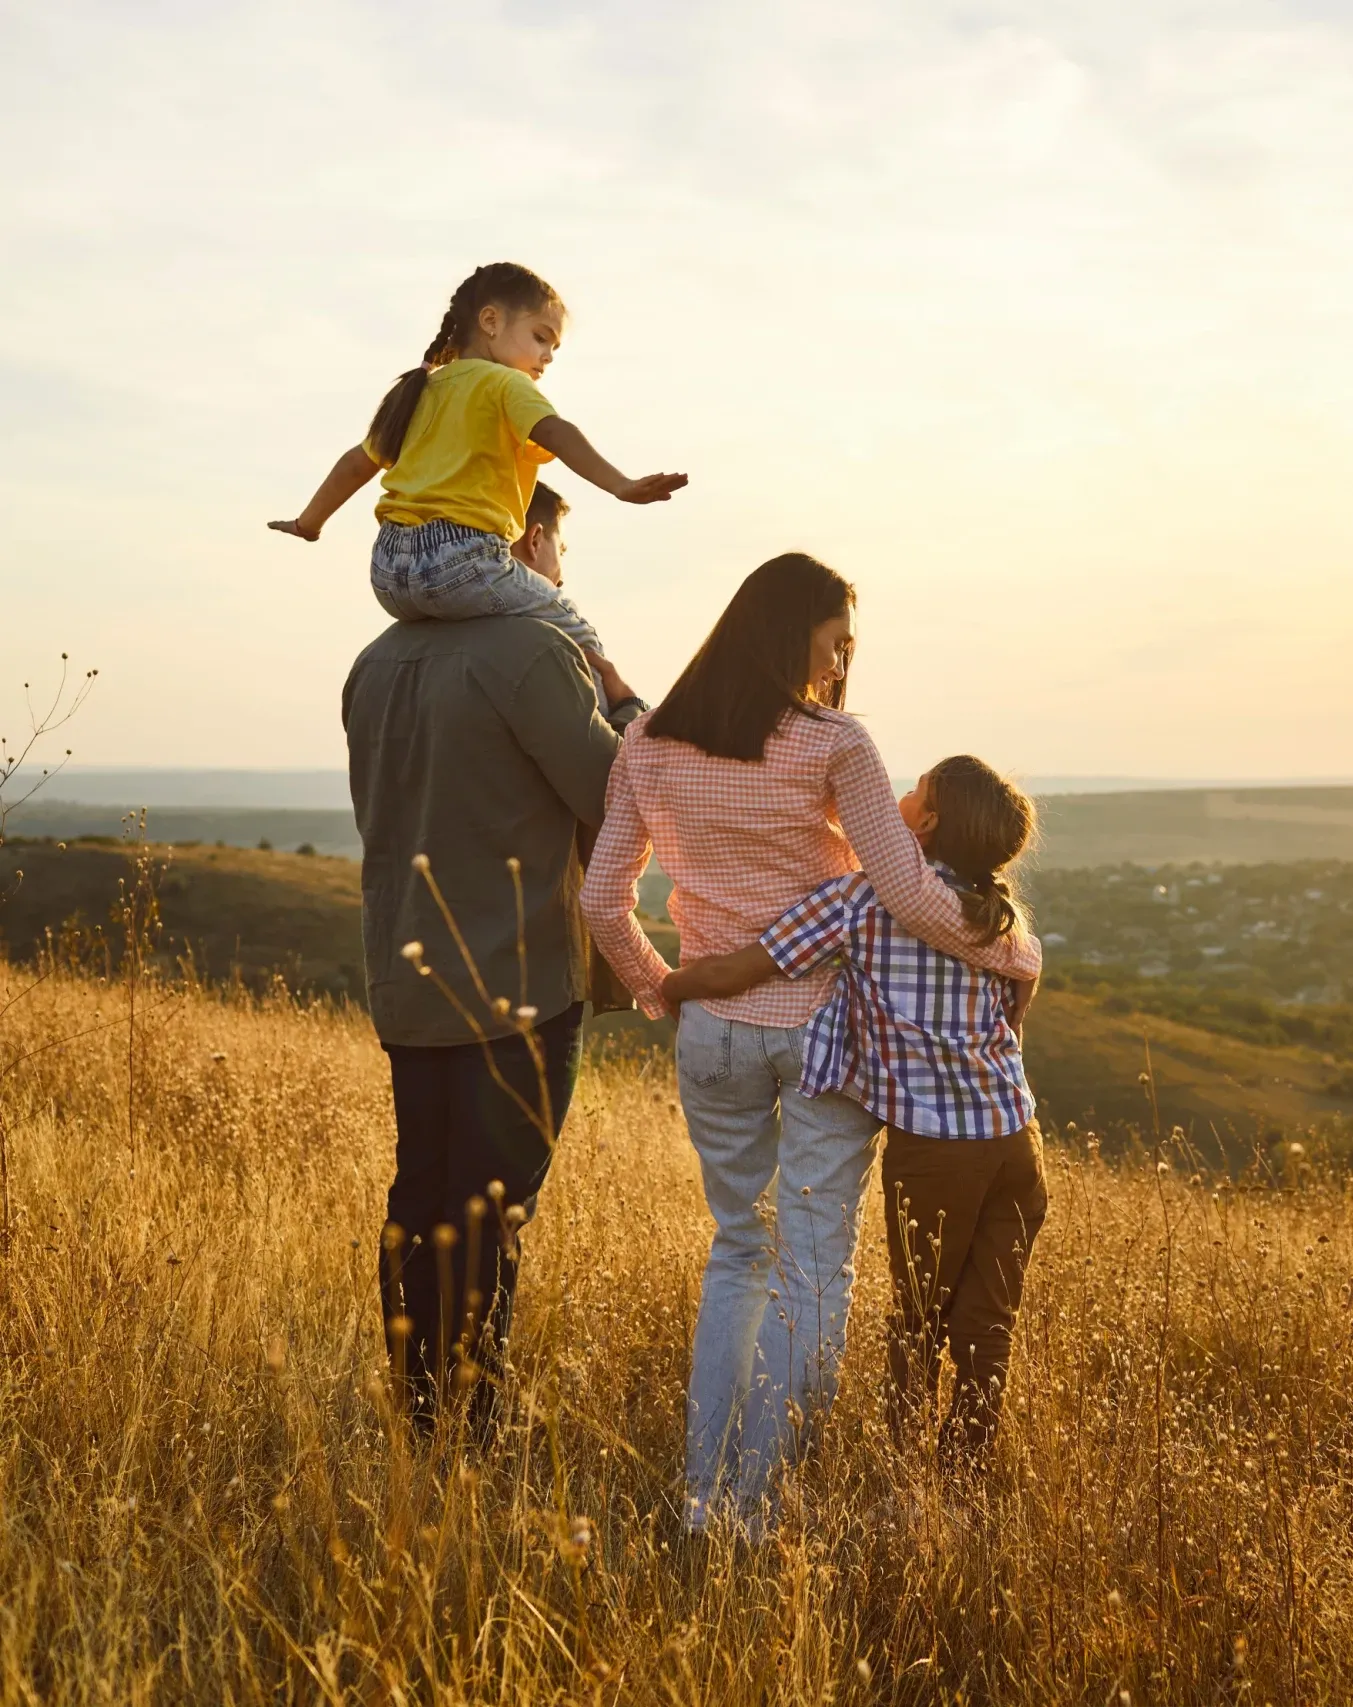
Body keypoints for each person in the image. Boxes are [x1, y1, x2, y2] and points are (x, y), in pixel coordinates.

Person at [580, 554, 1042, 1530]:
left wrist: (661, 989)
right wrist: (1014, 952)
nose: (838, 668)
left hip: (714, 1029)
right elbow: (911, 893)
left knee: (738, 1252)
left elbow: (600, 901)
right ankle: (756, 1509)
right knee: (814, 1270)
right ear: (790, 632)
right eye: (834, 646)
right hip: (826, 1037)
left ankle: (704, 1503)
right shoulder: (834, 743)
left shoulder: (649, 742)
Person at [662, 754, 1046, 1475]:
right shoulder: (999, 920)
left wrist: (671, 985)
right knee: (986, 1322)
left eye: (915, 790)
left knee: (918, 1319)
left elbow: (747, 966)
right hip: (1016, 1143)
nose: (900, 795)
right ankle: (960, 1481)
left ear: (926, 823)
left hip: (936, 1152)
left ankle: (906, 1478)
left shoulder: (859, 901)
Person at [343, 599, 644, 1440]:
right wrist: (625, 704)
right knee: (489, 1211)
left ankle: (417, 1408)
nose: (562, 581)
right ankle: (469, 1427)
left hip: (407, 972)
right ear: (532, 541)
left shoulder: (374, 660)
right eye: (559, 555)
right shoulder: (535, 651)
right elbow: (621, 794)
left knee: (421, 1192)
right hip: (517, 979)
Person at [270, 262, 685, 709]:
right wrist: (621, 485)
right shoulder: (506, 382)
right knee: (575, 629)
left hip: (388, 573)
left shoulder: (417, 391)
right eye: (540, 337)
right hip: (461, 561)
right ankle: (620, 725)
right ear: (491, 321)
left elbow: (356, 465)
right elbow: (556, 432)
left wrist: (309, 524)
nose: (548, 356)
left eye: (554, 347)